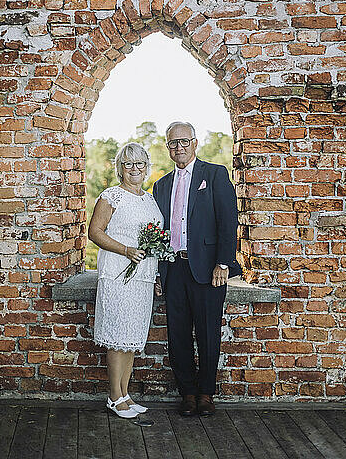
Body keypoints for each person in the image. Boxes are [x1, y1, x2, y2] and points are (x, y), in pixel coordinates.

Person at [153, 121, 241, 417]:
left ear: (195, 142)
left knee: (207, 333)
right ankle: (187, 393)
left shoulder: (214, 174)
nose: (179, 147)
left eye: (184, 141)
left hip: (207, 269)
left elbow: (229, 222)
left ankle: (206, 394)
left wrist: (223, 263)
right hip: (173, 268)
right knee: (177, 335)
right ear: (167, 148)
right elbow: (157, 230)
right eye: (173, 143)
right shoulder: (161, 185)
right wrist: (157, 271)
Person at [88, 142, 163, 419]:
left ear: (147, 167)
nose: (135, 169)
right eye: (128, 163)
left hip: (142, 278)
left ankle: (126, 394)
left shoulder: (150, 199)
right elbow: (94, 232)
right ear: (120, 168)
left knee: (131, 338)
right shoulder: (111, 196)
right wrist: (125, 250)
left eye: (140, 163)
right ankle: (114, 396)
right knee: (118, 338)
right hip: (118, 274)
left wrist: (155, 275)